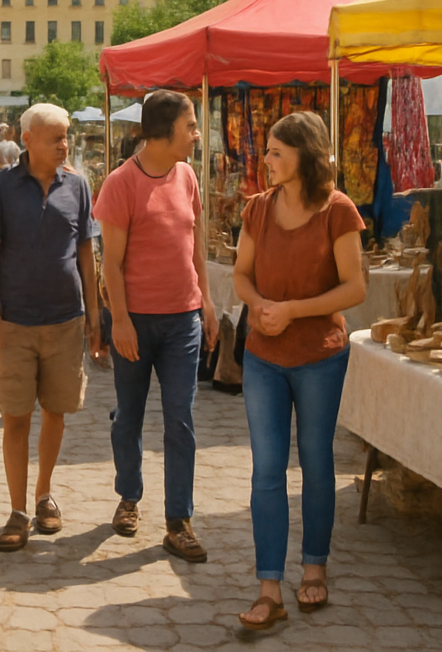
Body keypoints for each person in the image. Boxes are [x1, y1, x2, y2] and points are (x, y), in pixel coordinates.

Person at [231, 112, 367, 626]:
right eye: (267, 150)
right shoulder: (257, 210)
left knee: (315, 462)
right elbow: (241, 275)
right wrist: (261, 304)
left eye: (276, 152)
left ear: (304, 156)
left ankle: (314, 570)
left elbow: (354, 288)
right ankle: (269, 587)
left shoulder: (338, 211)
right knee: (266, 470)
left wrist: (292, 310)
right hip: (264, 358)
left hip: (320, 357)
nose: (266, 160)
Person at [92, 89, 217, 562]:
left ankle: (178, 520)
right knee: (129, 414)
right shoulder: (121, 183)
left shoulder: (187, 176)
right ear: (164, 132)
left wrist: (206, 301)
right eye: (190, 126)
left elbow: (196, 243)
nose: (196, 134)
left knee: (180, 418)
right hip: (136, 322)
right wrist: (119, 321)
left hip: (182, 318)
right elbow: (113, 264)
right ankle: (129, 495)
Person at [0, 104, 102, 552]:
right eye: (55, 138)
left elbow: (85, 251)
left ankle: (44, 494)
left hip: (65, 320)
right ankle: (17, 510)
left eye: (66, 136)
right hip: (14, 323)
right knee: (15, 417)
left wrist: (94, 312)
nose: (64, 144)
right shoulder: (0, 188)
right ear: (27, 140)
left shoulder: (79, 186)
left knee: (56, 411)